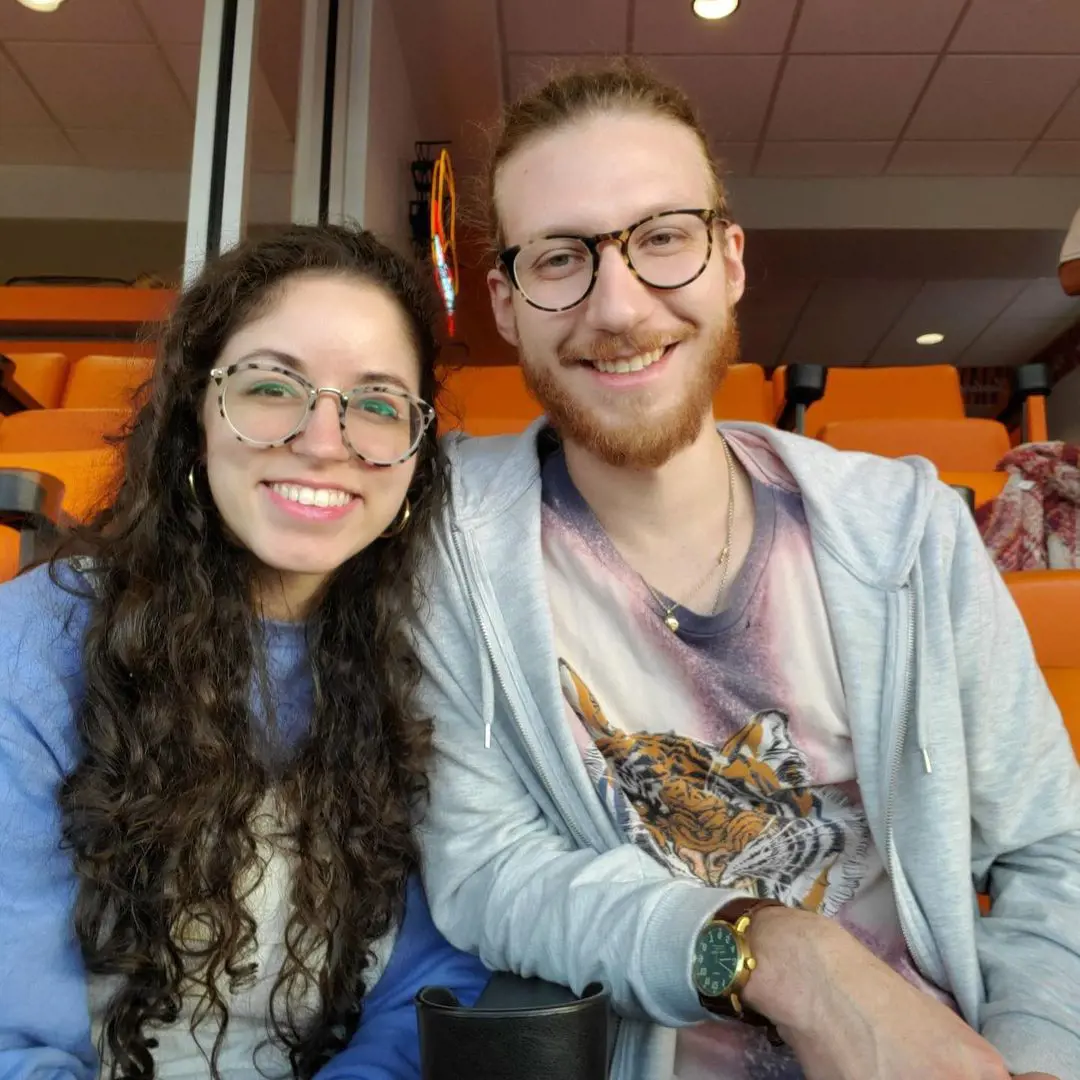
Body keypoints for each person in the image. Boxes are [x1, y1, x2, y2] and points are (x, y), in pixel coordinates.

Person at [413, 63, 1080, 1080]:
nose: (620, 308)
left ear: (728, 261)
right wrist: (783, 956)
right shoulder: (448, 550)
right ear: (505, 305)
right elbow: (488, 873)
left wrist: (1035, 1059)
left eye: (662, 239)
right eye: (560, 259)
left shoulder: (907, 532)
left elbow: (1050, 849)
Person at [0, 224, 489, 1080]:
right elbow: (15, 1029)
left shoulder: (437, 655)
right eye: (272, 387)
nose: (325, 441)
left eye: (377, 404)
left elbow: (431, 976)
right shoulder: (35, 644)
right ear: (195, 412)